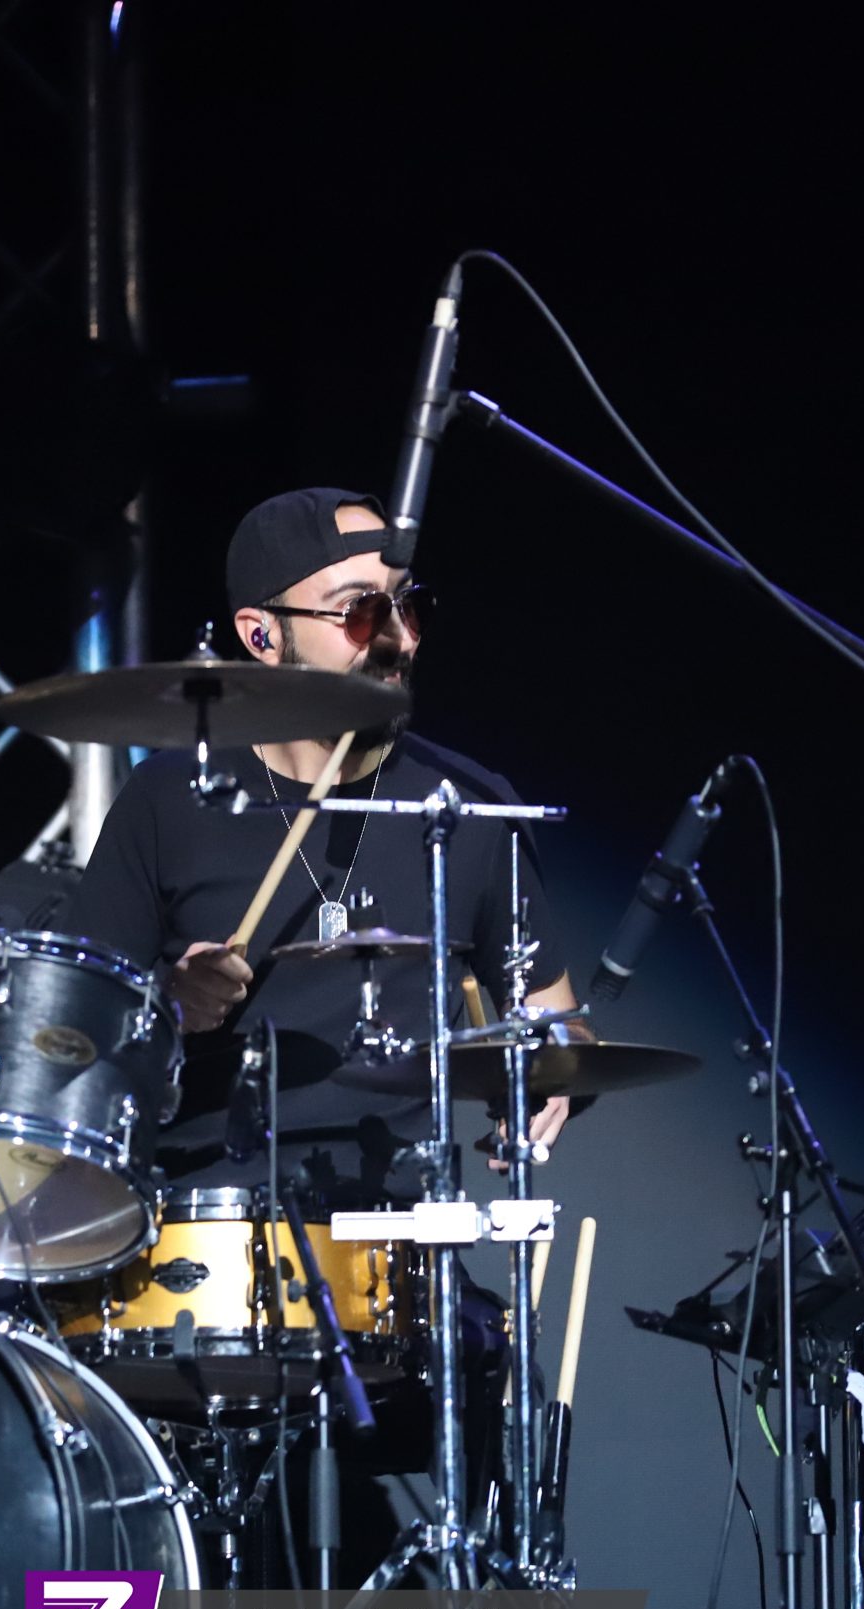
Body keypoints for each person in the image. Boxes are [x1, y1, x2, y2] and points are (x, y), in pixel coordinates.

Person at [63, 486, 585, 1206]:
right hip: (206, 1235)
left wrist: (549, 1072)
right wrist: (168, 1006)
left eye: (409, 607)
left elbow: (561, 1024)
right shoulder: (171, 798)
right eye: (361, 612)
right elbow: (65, 1037)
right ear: (261, 636)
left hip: (403, 1239)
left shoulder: (468, 803)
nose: (399, 639)